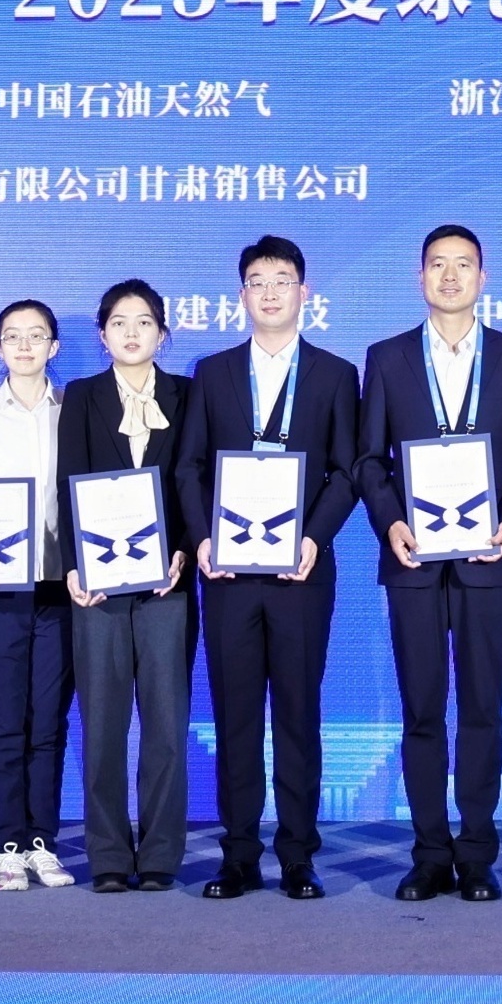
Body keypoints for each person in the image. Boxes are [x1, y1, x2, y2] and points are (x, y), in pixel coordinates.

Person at [355, 224, 502, 902]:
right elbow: (368, 459)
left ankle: (477, 854)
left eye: (463, 264)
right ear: (420, 277)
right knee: (421, 710)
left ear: (482, 278)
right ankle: (430, 853)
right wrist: (392, 522)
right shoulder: (387, 357)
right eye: (437, 264)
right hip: (413, 559)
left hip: (486, 558)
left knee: (483, 711)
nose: (450, 276)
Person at [175, 235, 361, 900]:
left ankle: (298, 855)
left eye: (283, 279)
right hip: (228, 575)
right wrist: (203, 539)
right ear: (242, 295)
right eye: (258, 280)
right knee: (235, 716)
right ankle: (239, 854)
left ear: (304, 292)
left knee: (298, 715)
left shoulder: (336, 374)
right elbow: (189, 467)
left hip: (300, 573)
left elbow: (347, 470)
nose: (271, 291)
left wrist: (313, 537)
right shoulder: (213, 372)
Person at [62, 279, 199, 893]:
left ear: (162, 334)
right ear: (102, 335)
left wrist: (185, 551)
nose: (132, 332)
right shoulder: (82, 396)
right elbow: (67, 482)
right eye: (119, 322)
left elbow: (196, 481)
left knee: (166, 723)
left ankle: (162, 852)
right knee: (103, 724)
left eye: (144, 322)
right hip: (99, 586)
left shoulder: (188, 395)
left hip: (168, 581)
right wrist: (75, 564)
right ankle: (109, 855)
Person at [0, 297, 79, 888]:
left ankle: (41, 842)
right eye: (12, 336)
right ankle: (5, 845)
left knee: (48, 723)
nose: (24, 345)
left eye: (36, 335)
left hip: (61, 586)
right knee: (2, 722)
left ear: (54, 346)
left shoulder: (75, 409)